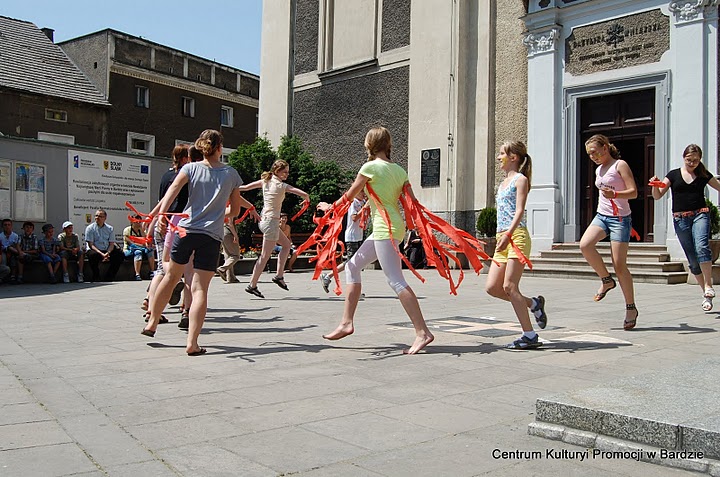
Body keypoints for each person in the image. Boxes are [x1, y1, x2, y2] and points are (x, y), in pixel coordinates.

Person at [142, 129, 259, 356]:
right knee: (199, 289)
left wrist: (161, 217)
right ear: (220, 148)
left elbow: (172, 192)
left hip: (185, 231)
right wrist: (218, 214)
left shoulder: (190, 168)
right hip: (211, 236)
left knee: (170, 276)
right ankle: (192, 343)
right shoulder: (231, 174)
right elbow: (234, 210)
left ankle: (152, 323)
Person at [320, 126, 434, 354]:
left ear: (369, 145)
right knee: (352, 265)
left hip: (385, 229)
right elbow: (411, 203)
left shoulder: (369, 167)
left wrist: (329, 208)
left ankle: (423, 333)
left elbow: (350, 195)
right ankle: (346, 323)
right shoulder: (399, 170)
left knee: (396, 281)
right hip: (393, 227)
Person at [484, 141, 547, 349]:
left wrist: (508, 234)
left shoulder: (520, 180)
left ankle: (529, 335)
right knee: (493, 287)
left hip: (516, 236)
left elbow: (519, 211)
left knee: (509, 287)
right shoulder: (502, 183)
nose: (498, 156)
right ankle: (533, 303)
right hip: (502, 237)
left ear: (514, 157)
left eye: (502, 153)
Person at [579, 134, 639, 330]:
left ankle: (631, 307)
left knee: (619, 266)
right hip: (602, 216)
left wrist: (616, 194)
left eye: (594, 152)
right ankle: (606, 280)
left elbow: (634, 192)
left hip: (620, 219)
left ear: (605, 148)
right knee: (585, 245)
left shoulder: (619, 165)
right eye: (589, 154)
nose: (592, 156)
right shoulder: (599, 170)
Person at [650, 144, 720, 311]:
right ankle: (705, 294)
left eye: (696, 160)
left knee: (702, 247)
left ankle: (709, 285)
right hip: (680, 219)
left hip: (700, 214)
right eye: (689, 160)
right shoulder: (673, 175)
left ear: (700, 160)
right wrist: (654, 185)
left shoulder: (703, 174)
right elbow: (658, 196)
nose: (692, 163)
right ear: (684, 157)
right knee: (692, 259)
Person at [240, 160, 309, 298]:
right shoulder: (281, 185)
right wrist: (307, 197)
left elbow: (246, 187)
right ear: (277, 171)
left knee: (286, 245)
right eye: (285, 172)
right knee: (265, 256)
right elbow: (300, 192)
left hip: (264, 220)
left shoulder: (265, 181)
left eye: (288, 172)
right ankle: (252, 285)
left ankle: (279, 276)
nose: (287, 174)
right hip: (271, 223)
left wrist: (232, 188)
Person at [142, 145, 191, 327]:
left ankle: (151, 307)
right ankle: (184, 310)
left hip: (163, 221)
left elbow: (162, 201)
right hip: (178, 223)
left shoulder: (166, 175)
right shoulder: (185, 176)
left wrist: (152, 219)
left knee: (162, 270)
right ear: (185, 158)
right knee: (185, 271)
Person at [320, 191, 368, 293]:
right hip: (352, 237)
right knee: (352, 264)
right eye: (361, 191)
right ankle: (353, 290)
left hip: (358, 236)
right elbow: (354, 217)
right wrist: (365, 208)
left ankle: (328, 276)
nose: (364, 193)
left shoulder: (362, 202)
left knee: (354, 263)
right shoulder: (353, 203)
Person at [85, 209, 124, 282]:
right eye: (96, 216)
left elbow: (112, 244)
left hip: (106, 249)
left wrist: (107, 253)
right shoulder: (90, 228)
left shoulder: (109, 228)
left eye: (100, 216)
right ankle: (96, 276)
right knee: (92, 256)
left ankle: (109, 277)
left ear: (105, 218)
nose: (97, 218)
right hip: (95, 249)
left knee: (120, 255)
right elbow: (91, 245)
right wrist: (102, 254)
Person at [123, 215, 155, 280]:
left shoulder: (142, 231)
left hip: (142, 248)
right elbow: (131, 243)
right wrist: (143, 245)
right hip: (129, 250)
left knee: (150, 251)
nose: (138, 223)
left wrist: (142, 231)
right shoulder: (127, 230)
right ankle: (137, 274)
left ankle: (152, 271)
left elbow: (146, 241)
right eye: (136, 221)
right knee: (138, 252)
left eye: (139, 221)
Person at [216, 218, 241, 283]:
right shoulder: (230, 209)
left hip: (222, 232)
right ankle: (222, 269)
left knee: (228, 256)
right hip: (228, 232)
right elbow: (230, 224)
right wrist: (235, 235)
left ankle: (230, 277)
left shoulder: (222, 209)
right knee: (235, 255)